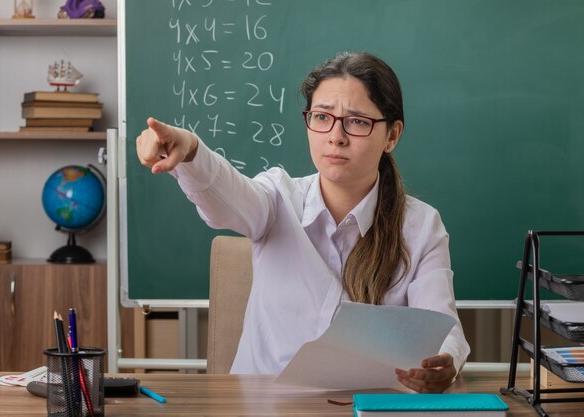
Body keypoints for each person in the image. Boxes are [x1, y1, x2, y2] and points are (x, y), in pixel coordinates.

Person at [136, 51, 470, 393]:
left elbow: (442, 326)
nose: (335, 136)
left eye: (357, 121)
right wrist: (190, 149)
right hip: (264, 405)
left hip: (368, 405)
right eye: (322, 117)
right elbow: (227, 195)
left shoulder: (420, 225)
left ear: (392, 135)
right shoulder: (277, 198)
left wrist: (443, 361)